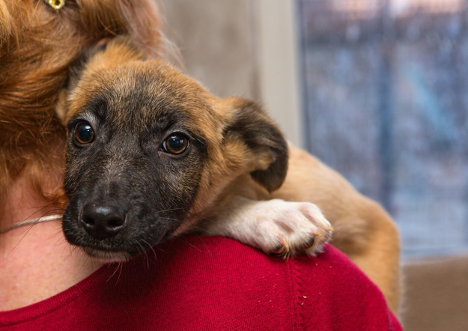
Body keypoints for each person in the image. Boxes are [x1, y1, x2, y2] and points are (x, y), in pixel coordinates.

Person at [0, 0, 402, 329]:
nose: (102, 212)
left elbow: (375, 234)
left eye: (174, 145)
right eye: (85, 134)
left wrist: (234, 210)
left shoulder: (290, 183)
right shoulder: (291, 290)